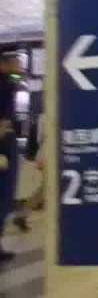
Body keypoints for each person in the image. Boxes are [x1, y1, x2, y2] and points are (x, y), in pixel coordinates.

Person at [0, 51, 22, 261]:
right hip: (3, 145)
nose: (19, 65)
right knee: (3, 198)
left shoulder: (10, 82)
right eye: (15, 61)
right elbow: (4, 121)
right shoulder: (6, 85)